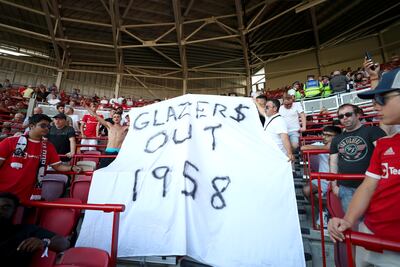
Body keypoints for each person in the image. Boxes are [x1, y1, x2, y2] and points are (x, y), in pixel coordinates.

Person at [328, 67, 400, 266]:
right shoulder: (386, 144)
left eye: (382, 99)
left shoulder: (374, 135)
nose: (375, 105)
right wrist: (349, 220)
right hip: (370, 233)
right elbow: (368, 185)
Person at [0, 114, 82, 201]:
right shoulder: (10, 142)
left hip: (26, 196)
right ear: (31, 126)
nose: (46, 128)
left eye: (48, 126)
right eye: (43, 125)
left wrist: (72, 167)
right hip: (3, 192)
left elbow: (57, 166)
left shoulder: (49, 147)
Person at [329, 104, 386, 212]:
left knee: (375, 221)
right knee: (353, 223)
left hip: (371, 186)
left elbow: (385, 157)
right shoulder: (337, 139)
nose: (344, 118)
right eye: (341, 116)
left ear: (358, 115)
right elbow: (333, 163)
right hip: (346, 187)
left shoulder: (373, 131)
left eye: (348, 114)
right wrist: (334, 186)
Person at [0, 192, 70, 267]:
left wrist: (44, 243)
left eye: (5, 208)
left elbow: (64, 243)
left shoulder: (26, 230)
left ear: (14, 211)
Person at [302, 125, 342, 198]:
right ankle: (322, 208)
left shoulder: (343, 146)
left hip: (339, 180)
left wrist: (331, 148)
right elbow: (302, 148)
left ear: (337, 137)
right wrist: (325, 148)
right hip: (323, 180)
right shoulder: (320, 145)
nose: (324, 137)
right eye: (323, 134)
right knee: (306, 190)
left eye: (328, 135)